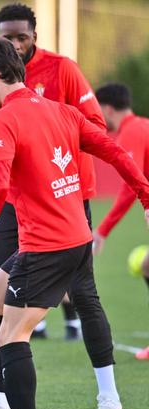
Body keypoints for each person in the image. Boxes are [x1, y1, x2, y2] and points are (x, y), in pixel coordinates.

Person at [0, 37, 149, 409]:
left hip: (47, 247)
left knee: (12, 337)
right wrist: (146, 195)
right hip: (73, 238)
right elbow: (116, 153)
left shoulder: (2, 120)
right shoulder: (62, 112)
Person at [0, 2, 120, 409]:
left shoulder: (64, 71)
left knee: (84, 295)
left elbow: (94, 129)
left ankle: (108, 395)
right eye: (7, 37)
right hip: (15, 200)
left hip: (64, 198)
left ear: (34, 35)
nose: (15, 43)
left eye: (21, 36)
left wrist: (53, 149)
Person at [90, 83, 149, 361]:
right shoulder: (141, 126)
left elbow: (129, 188)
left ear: (108, 108)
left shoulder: (131, 132)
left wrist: (102, 231)